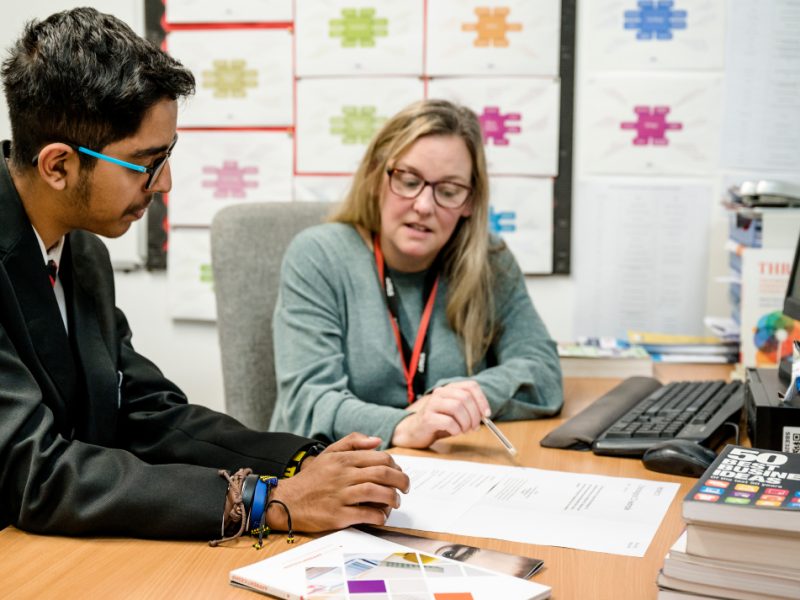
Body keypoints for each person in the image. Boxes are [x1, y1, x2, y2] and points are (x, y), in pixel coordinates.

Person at [0, 7, 408, 542]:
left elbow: (146, 412)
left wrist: (301, 461)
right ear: (58, 166)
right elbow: (37, 475)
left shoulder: (82, 251)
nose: (164, 183)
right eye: (146, 162)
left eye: (167, 155)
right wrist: (266, 502)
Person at [270, 99, 563, 449]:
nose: (424, 206)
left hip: (445, 470)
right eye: (409, 181)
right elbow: (308, 403)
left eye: (449, 191)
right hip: (332, 473)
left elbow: (544, 374)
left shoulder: (489, 259)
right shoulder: (319, 256)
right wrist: (405, 425)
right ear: (376, 177)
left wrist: (456, 398)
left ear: (470, 202)